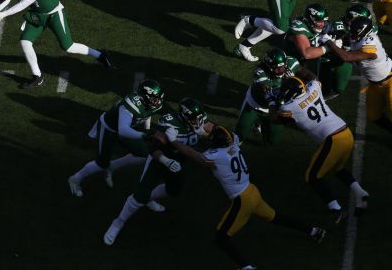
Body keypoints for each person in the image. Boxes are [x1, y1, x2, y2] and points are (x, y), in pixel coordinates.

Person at [170, 125, 326, 270]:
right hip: (252, 191)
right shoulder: (234, 144)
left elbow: (193, 154)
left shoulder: (214, 156)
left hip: (242, 200)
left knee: (221, 238)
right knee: (275, 217)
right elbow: (222, 137)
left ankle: (246, 267)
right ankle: (313, 231)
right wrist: (204, 133)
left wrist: (174, 141)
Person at [0, 0, 113, 88]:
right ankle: (37, 76)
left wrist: (2, 15)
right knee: (25, 41)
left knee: (68, 47)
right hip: (37, 15)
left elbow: (23, 4)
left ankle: (100, 55)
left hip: (53, 14)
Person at [102, 98, 211, 245]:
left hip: (179, 163)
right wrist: (167, 161)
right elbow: (153, 149)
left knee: (173, 190)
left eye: (200, 119)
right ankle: (118, 223)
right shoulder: (170, 124)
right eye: (195, 119)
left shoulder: (198, 122)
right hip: (159, 162)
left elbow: (213, 130)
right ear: (185, 116)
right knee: (139, 196)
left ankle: (148, 199)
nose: (200, 123)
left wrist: (222, 136)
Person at [274, 76, 369, 223]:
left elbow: (276, 119)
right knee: (338, 168)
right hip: (346, 133)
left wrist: (274, 107)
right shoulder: (314, 87)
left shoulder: (288, 108)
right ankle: (360, 194)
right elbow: (315, 79)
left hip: (333, 140)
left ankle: (335, 209)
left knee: (312, 176)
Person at [68, 79, 166, 200]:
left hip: (127, 128)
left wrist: (147, 129)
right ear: (143, 97)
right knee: (101, 163)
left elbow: (148, 113)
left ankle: (112, 167)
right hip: (109, 128)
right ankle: (75, 178)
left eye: (159, 98)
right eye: (154, 99)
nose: (158, 102)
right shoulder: (130, 105)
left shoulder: (154, 103)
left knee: (143, 155)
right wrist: (145, 136)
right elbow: (123, 129)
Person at [326, 16, 392, 134]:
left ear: (363, 32)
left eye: (355, 32)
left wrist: (329, 42)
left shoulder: (371, 43)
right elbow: (348, 41)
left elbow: (347, 57)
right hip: (375, 84)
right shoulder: (357, 37)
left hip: (389, 82)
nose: (352, 34)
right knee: (373, 115)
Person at [235, 47, 313, 145]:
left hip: (276, 106)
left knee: (272, 142)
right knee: (239, 136)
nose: (277, 70)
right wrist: (288, 81)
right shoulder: (260, 71)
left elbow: (308, 76)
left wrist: (313, 86)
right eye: (274, 68)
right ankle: (257, 121)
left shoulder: (291, 62)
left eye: (280, 67)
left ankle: (260, 123)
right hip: (256, 104)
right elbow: (268, 94)